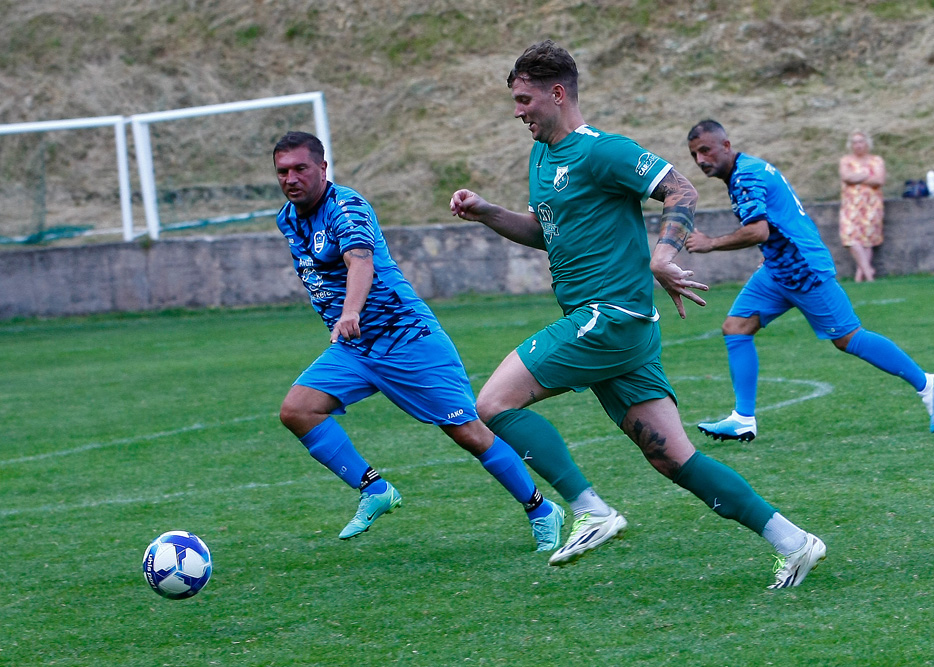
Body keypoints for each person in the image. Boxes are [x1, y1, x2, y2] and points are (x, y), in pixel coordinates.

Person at [450, 41, 826, 588]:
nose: (518, 110)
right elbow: (544, 232)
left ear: (557, 94)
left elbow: (681, 189)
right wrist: (487, 213)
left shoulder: (604, 151)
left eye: (524, 99)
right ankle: (794, 543)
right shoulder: (541, 157)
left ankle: (591, 509)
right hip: (613, 327)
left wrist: (663, 255)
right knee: (675, 458)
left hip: (609, 317)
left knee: (493, 403)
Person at [272, 131, 563, 551]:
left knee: (468, 433)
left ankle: (540, 509)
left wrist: (350, 311)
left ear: (322, 168)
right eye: (283, 171)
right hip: (356, 347)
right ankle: (374, 490)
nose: (291, 178)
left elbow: (360, 261)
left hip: (408, 340)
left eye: (300, 168)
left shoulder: (347, 207)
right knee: (298, 410)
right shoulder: (288, 218)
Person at [684, 120, 934, 443]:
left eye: (706, 150)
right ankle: (743, 418)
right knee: (736, 327)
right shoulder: (747, 170)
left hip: (803, 268)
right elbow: (781, 217)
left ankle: (926, 384)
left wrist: (710, 242)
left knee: (849, 338)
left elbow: (758, 230)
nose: (700, 160)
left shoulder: (747, 175)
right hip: (777, 268)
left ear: (726, 145)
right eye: (695, 154)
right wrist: (772, 252)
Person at [839, 130, 886, 282]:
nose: (858, 145)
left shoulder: (876, 160)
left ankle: (860, 277)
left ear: (867, 143)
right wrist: (867, 175)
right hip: (851, 205)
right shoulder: (846, 160)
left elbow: (879, 180)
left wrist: (857, 178)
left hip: (871, 204)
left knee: (867, 240)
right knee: (849, 236)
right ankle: (869, 272)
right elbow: (846, 177)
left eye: (861, 141)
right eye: (855, 142)